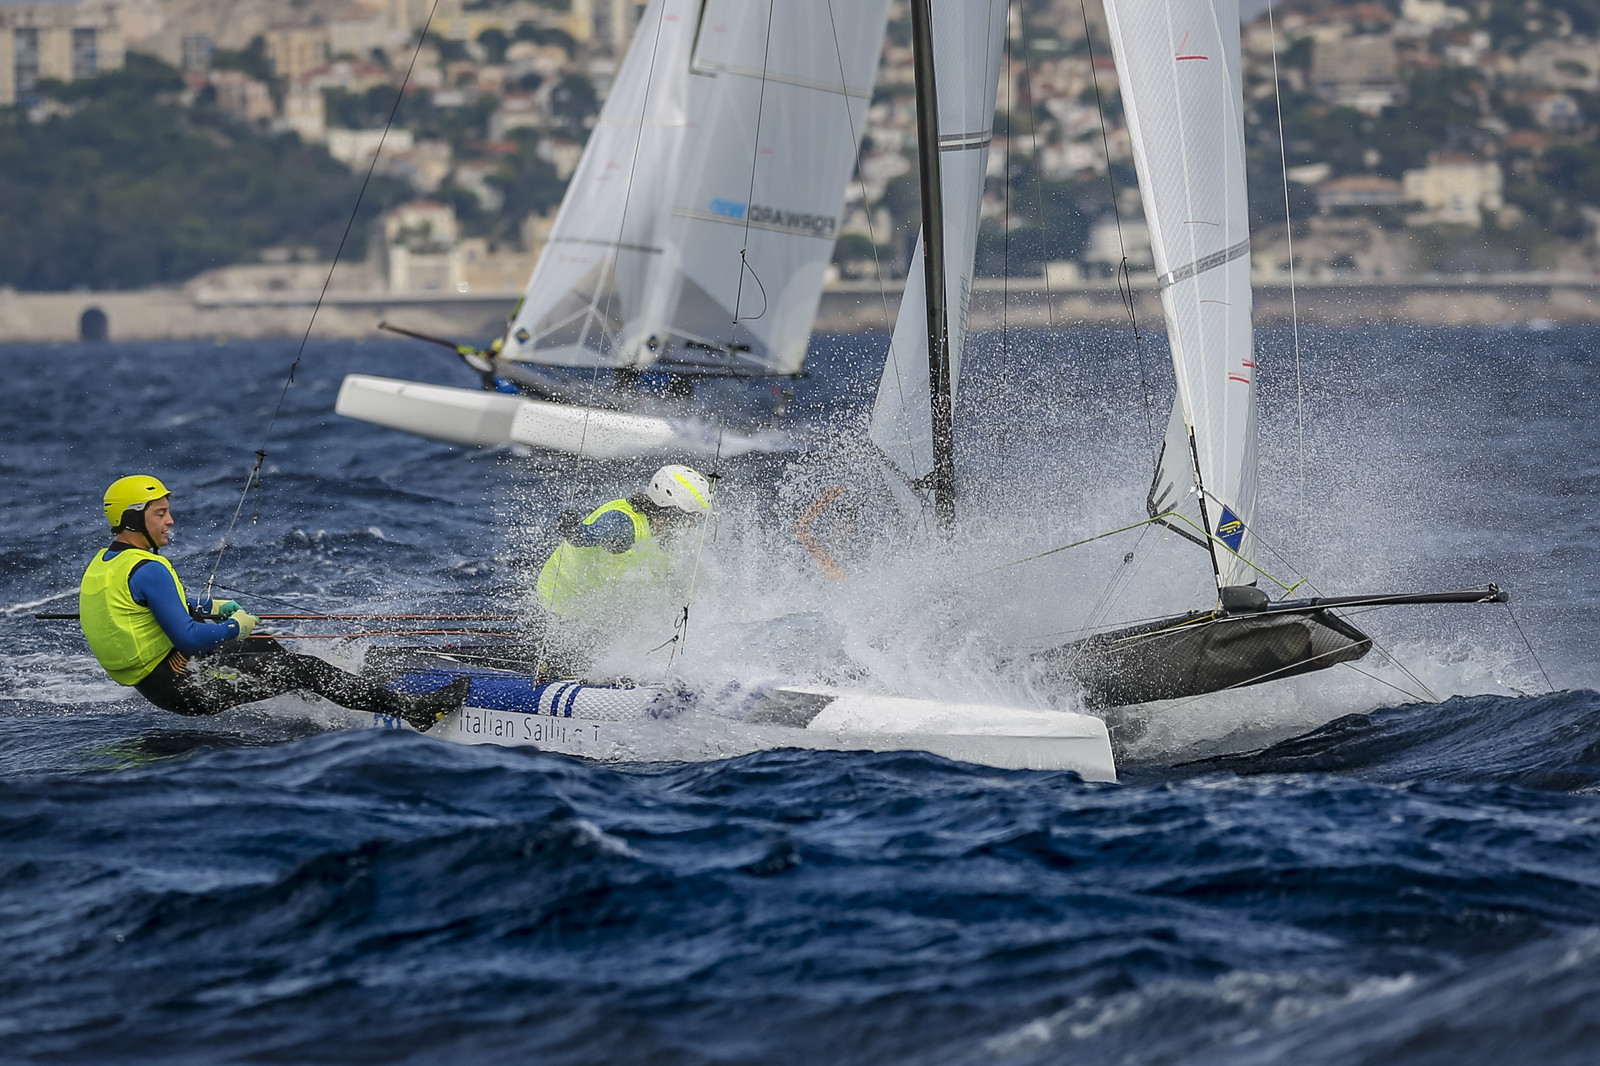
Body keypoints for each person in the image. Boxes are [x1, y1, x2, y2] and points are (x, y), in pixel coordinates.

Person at [78, 475, 469, 730]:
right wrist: (235, 625)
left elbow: (142, 607)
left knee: (261, 643)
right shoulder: (150, 568)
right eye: (160, 513)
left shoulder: (107, 563)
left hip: (161, 679)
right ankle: (415, 710)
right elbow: (191, 641)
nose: (171, 521)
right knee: (304, 666)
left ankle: (330, 692)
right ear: (133, 519)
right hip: (184, 687)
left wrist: (214, 608)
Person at [535, 464, 713, 618]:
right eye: (688, 519)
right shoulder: (622, 525)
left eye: (696, 520)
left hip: (596, 609)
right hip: (560, 607)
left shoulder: (667, 535)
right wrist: (571, 528)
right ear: (667, 511)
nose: (692, 527)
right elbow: (582, 537)